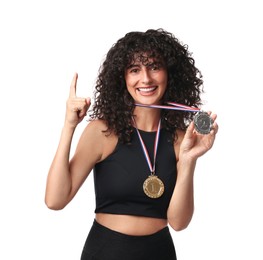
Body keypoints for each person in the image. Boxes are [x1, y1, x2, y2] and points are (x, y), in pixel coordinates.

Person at [45, 28, 218, 260]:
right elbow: (55, 200)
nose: (145, 78)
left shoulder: (181, 139)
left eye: (154, 67)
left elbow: (178, 223)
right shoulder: (102, 132)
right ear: (123, 78)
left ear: (169, 74)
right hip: (107, 251)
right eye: (135, 70)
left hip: (160, 253)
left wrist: (188, 159)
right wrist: (69, 127)